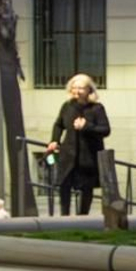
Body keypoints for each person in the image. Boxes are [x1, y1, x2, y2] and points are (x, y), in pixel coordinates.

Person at [47, 73, 110, 215]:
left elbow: (105, 130)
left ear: (89, 90)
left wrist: (87, 126)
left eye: (81, 88)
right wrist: (54, 140)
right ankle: (65, 218)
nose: (77, 91)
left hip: (88, 157)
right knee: (64, 187)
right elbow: (58, 125)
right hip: (68, 156)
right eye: (74, 87)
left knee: (86, 190)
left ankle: (83, 218)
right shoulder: (67, 106)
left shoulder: (97, 108)